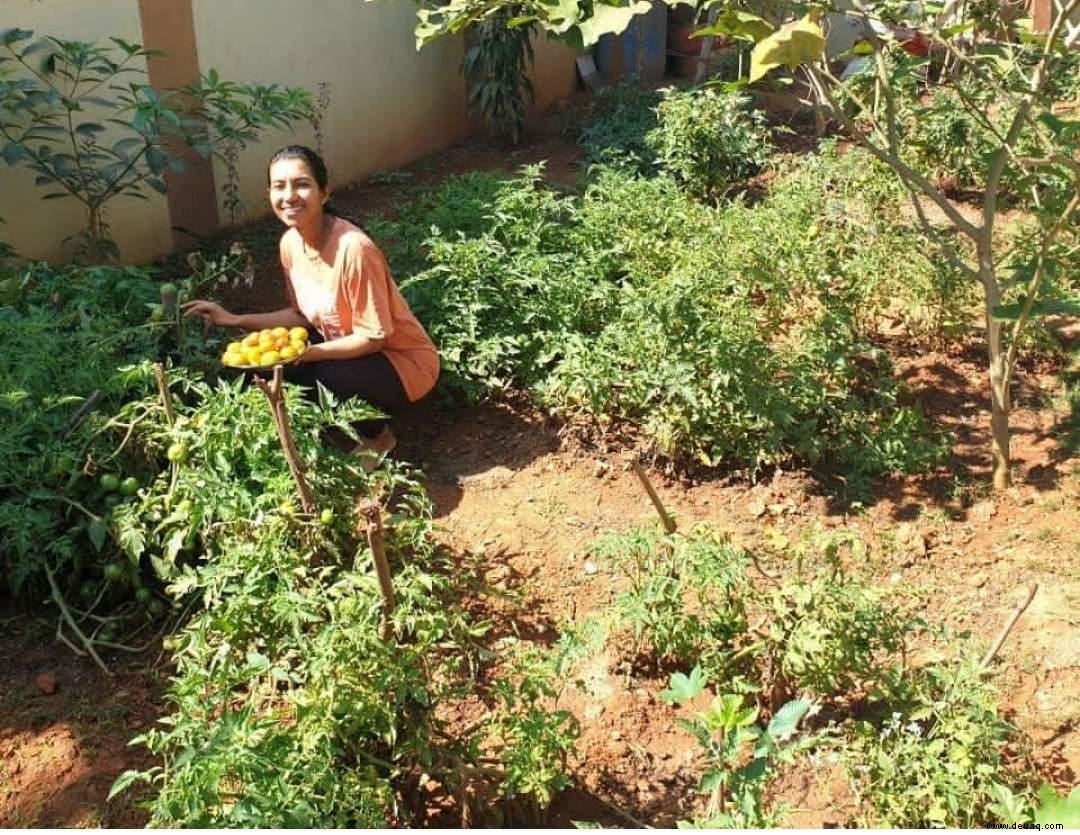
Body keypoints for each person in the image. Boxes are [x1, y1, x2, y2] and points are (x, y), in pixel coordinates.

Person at [183, 145, 439, 459]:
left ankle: (379, 438)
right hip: (344, 345)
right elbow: (301, 315)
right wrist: (235, 319)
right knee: (260, 370)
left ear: (325, 192)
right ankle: (311, 435)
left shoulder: (354, 249)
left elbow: (375, 337)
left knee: (322, 375)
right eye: (279, 186)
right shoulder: (290, 243)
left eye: (302, 184)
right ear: (270, 194)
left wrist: (308, 354)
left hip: (402, 362)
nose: (289, 195)